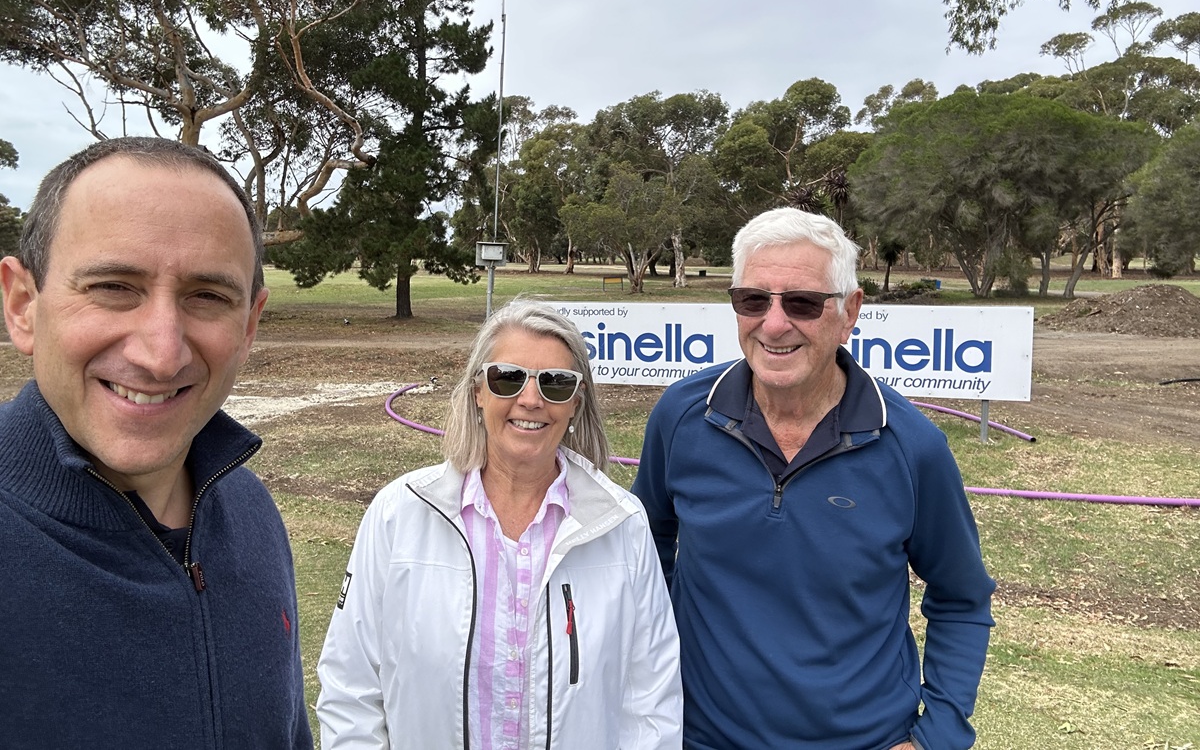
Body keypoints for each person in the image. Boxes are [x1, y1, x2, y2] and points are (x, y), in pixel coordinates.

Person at [632, 207, 996, 750]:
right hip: (699, 737)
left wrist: (937, 736)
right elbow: (645, 550)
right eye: (753, 300)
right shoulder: (682, 417)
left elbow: (962, 599)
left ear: (850, 312)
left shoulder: (913, 448)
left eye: (802, 302)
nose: (774, 324)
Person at [0, 137, 312, 749]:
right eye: (114, 286)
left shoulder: (249, 509)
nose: (162, 354)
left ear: (249, 324)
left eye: (207, 297)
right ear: (23, 306)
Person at [317, 299, 683, 749]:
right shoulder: (398, 515)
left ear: (575, 403)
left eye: (556, 383)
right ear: (478, 391)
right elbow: (350, 686)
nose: (530, 399)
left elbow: (651, 702)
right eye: (507, 377)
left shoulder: (622, 525)